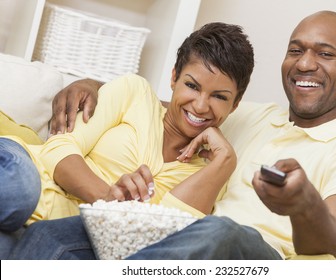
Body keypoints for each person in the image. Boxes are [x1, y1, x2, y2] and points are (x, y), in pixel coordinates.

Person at [8, 10, 336, 260]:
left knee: (217, 230)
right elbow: (181, 104)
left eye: (324, 54)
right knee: (54, 240)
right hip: (183, 243)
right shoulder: (253, 116)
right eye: (296, 50)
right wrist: (90, 84)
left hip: (260, 257)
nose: (305, 63)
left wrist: (304, 203)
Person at [0, 22, 255, 259]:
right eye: (192, 85)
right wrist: (109, 201)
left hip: (45, 240)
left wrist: (225, 160)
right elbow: (57, 148)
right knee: (18, 192)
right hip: (25, 173)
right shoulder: (136, 93)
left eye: (219, 97)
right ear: (174, 77)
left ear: (235, 105)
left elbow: (162, 240)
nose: (200, 106)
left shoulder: (211, 173)